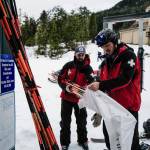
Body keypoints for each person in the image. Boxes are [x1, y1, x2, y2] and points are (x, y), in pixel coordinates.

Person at [89, 29, 141, 150]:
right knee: (110, 139)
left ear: (115, 42)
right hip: (111, 107)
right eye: (103, 47)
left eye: (107, 45)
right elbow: (104, 86)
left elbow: (125, 79)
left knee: (130, 143)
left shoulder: (128, 56)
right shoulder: (106, 61)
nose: (105, 49)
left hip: (128, 107)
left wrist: (100, 85)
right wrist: (100, 110)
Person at [58, 45, 94, 150]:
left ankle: (83, 140)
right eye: (79, 54)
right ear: (75, 54)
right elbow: (60, 79)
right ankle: (65, 142)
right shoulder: (68, 65)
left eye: (82, 55)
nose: (80, 56)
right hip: (66, 98)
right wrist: (66, 87)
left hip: (80, 99)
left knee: (82, 121)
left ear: (85, 55)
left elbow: (91, 82)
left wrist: (88, 83)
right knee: (65, 122)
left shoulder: (88, 68)